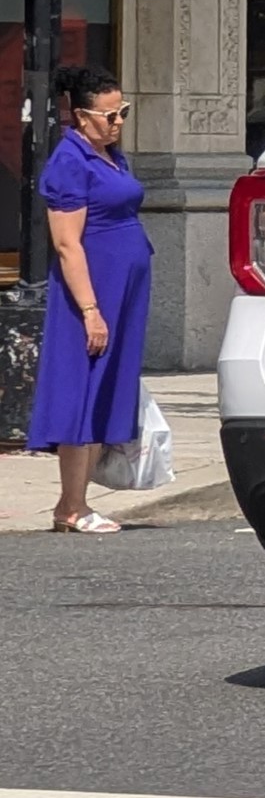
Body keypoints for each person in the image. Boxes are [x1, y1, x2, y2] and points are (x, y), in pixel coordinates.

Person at [25, 65, 153, 534]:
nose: (118, 122)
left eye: (123, 112)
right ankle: (72, 506)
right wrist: (91, 310)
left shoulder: (110, 155)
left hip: (123, 287)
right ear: (81, 116)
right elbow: (67, 244)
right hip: (93, 289)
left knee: (107, 390)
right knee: (84, 387)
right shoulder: (70, 161)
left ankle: (75, 503)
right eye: (108, 115)